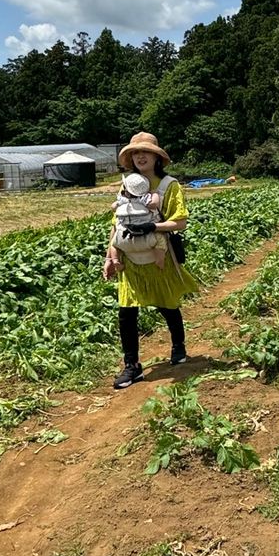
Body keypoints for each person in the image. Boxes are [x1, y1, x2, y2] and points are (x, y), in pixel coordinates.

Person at [102, 132, 197, 388]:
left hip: (159, 255)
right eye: (135, 153)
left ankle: (178, 346)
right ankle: (131, 365)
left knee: (167, 304)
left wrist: (152, 227)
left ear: (157, 157)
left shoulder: (169, 186)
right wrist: (110, 256)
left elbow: (181, 222)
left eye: (145, 152)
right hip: (130, 258)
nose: (140, 156)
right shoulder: (126, 185)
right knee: (126, 311)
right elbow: (117, 222)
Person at [112, 172, 168, 268]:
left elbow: (113, 207)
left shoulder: (122, 200)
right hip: (146, 237)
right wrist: (154, 193)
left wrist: (118, 204)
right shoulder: (144, 199)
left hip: (123, 237)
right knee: (161, 240)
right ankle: (160, 260)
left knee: (113, 244)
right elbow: (154, 204)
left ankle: (115, 260)